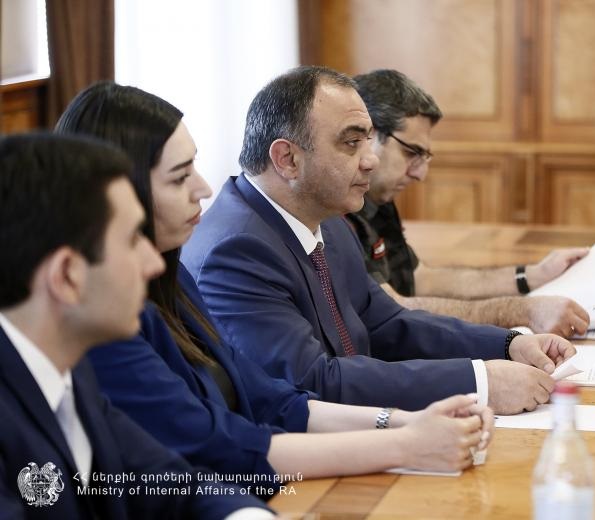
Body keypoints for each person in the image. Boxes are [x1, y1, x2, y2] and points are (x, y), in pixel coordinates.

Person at [55, 81, 493, 492]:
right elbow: (216, 445)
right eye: (179, 176)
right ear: (121, 195)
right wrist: (405, 444)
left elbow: (272, 399)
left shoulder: (173, 278)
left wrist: (404, 423)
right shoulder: (112, 317)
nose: (203, 188)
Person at [181, 66, 576, 415]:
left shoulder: (330, 221)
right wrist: (480, 382)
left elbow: (387, 322)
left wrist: (507, 344)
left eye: (368, 141)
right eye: (351, 143)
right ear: (287, 159)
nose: (370, 159)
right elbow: (313, 383)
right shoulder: (235, 252)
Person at [0, 134, 272, 518]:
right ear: (67, 275)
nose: (154, 263)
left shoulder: (71, 374)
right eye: (132, 240)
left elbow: (177, 487)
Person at [349, 69, 591, 338]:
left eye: (424, 157)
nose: (420, 174)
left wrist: (533, 274)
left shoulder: (377, 198)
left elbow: (421, 279)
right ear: (367, 136)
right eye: (411, 152)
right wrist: (522, 312)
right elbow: (392, 311)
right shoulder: (338, 210)